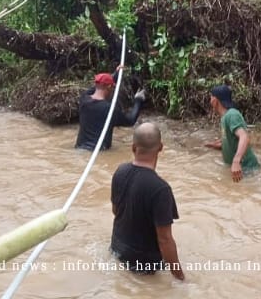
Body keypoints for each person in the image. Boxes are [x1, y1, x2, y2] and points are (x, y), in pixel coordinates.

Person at [110, 122, 184, 280]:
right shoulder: (160, 189)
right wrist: (180, 277)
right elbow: (165, 240)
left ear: (133, 147)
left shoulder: (120, 171)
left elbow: (115, 211)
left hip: (117, 251)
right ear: (161, 147)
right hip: (145, 267)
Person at [75, 67, 146, 150]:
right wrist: (138, 100)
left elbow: (97, 87)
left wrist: (115, 76)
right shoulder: (110, 109)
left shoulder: (84, 99)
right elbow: (130, 121)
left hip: (79, 149)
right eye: (113, 87)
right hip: (100, 152)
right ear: (109, 87)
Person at [205, 85, 260, 182]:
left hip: (247, 170)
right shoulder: (225, 117)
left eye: (211, 98)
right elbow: (230, 140)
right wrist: (212, 145)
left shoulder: (232, 114)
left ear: (215, 100)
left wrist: (236, 161)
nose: (210, 101)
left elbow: (244, 137)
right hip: (239, 170)